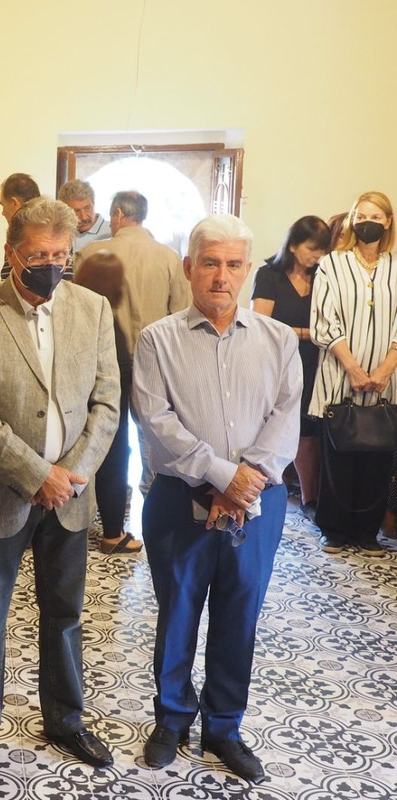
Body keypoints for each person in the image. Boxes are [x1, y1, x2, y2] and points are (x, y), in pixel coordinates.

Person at [0, 199, 120, 773]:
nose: (50, 265)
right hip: (1, 492)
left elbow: (107, 402)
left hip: (70, 493)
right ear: (12, 253)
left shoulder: (93, 309)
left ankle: (66, 719)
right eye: (38, 255)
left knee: (66, 613)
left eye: (59, 255)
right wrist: (36, 475)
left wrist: (69, 475)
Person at [134, 214, 300, 783]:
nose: (221, 276)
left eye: (232, 264)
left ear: (248, 270)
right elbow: (156, 420)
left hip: (257, 505)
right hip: (178, 500)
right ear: (189, 267)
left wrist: (245, 481)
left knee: (239, 616)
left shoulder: (278, 340)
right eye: (209, 263)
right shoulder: (157, 340)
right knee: (177, 613)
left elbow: (285, 417)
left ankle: (224, 728)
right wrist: (221, 476)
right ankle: (171, 719)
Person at [77, 190, 190, 494]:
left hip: (102, 360)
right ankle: (151, 491)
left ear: (117, 214)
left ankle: (106, 497)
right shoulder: (170, 258)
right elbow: (182, 315)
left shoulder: (90, 254)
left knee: (104, 432)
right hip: (154, 360)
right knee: (152, 431)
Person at [308, 191, 397, 556]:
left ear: (387, 222)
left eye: (375, 216)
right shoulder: (332, 263)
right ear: (352, 221)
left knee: (377, 458)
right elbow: (324, 320)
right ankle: (333, 529)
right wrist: (354, 368)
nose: (367, 222)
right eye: (361, 216)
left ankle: (366, 532)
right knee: (339, 456)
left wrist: (386, 367)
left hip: (385, 381)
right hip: (340, 373)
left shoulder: (395, 267)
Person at [251, 216, 331, 515]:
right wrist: (308, 333)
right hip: (275, 362)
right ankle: (265, 490)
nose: (317, 256)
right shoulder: (269, 275)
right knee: (271, 428)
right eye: (312, 248)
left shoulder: (323, 277)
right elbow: (261, 324)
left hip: (314, 363)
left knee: (307, 432)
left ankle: (309, 499)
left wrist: (304, 334)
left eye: (322, 249)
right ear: (294, 245)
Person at [73, 251, 141, 554]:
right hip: (109, 407)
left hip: (76, 408)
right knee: (115, 461)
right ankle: (113, 533)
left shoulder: (72, 317)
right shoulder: (107, 320)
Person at [0, 173, 46, 281]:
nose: (3, 213)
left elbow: (14, 283)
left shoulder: (21, 236)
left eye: (3, 205)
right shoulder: (58, 228)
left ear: (14, 203)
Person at [58, 179, 111, 250]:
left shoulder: (112, 232)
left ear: (93, 204)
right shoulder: (60, 233)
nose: (83, 217)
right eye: (76, 211)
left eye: (87, 208)